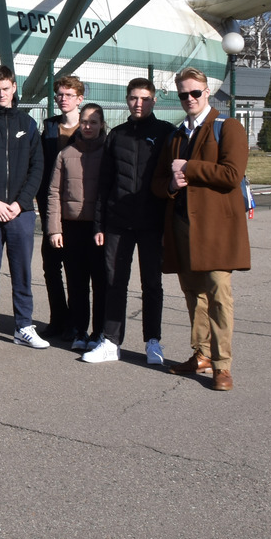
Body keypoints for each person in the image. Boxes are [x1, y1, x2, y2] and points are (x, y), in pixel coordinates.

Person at [153, 66, 251, 392]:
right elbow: (157, 183)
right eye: (183, 94)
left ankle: (222, 366)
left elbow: (232, 174)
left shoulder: (228, 127)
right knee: (193, 295)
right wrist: (170, 182)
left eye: (195, 92)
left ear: (207, 92)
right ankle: (202, 354)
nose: (190, 99)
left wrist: (189, 169)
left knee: (219, 294)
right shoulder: (176, 134)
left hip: (216, 229)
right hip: (182, 226)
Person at [97, 77, 175, 366]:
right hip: (118, 223)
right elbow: (104, 184)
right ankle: (110, 342)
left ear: (154, 100)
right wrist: (99, 225)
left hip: (152, 223)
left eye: (144, 98)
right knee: (115, 282)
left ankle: (152, 341)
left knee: (152, 284)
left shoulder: (166, 133)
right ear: (127, 100)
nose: (138, 103)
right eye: (133, 98)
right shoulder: (116, 135)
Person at [0, 66, 46, 350]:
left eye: (5, 88)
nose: (1, 94)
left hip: (21, 212)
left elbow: (37, 167)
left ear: (14, 87)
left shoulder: (27, 124)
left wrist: (19, 203)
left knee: (22, 271)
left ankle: (24, 326)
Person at [46, 103, 110, 357]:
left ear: (102, 124)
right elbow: (53, 192)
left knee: (101, 283)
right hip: (72, 228)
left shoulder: (109, 152)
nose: (88, 126)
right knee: (77, 283)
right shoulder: (66, 153)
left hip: (99, 230)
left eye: (94, 122)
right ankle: (80, 330)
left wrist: (105, 226)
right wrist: (54, 229)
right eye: (84, 121)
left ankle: (100, 332)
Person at [37, 75, 84, 341]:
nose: (62, 99)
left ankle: (77, 323)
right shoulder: (50, 128)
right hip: (50, 207)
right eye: (59, 95)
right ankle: (58, 319)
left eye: (68, 95)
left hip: (78, 212)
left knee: (76, 270)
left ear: (79, 98)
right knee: (51, 268)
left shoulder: (89, 127)